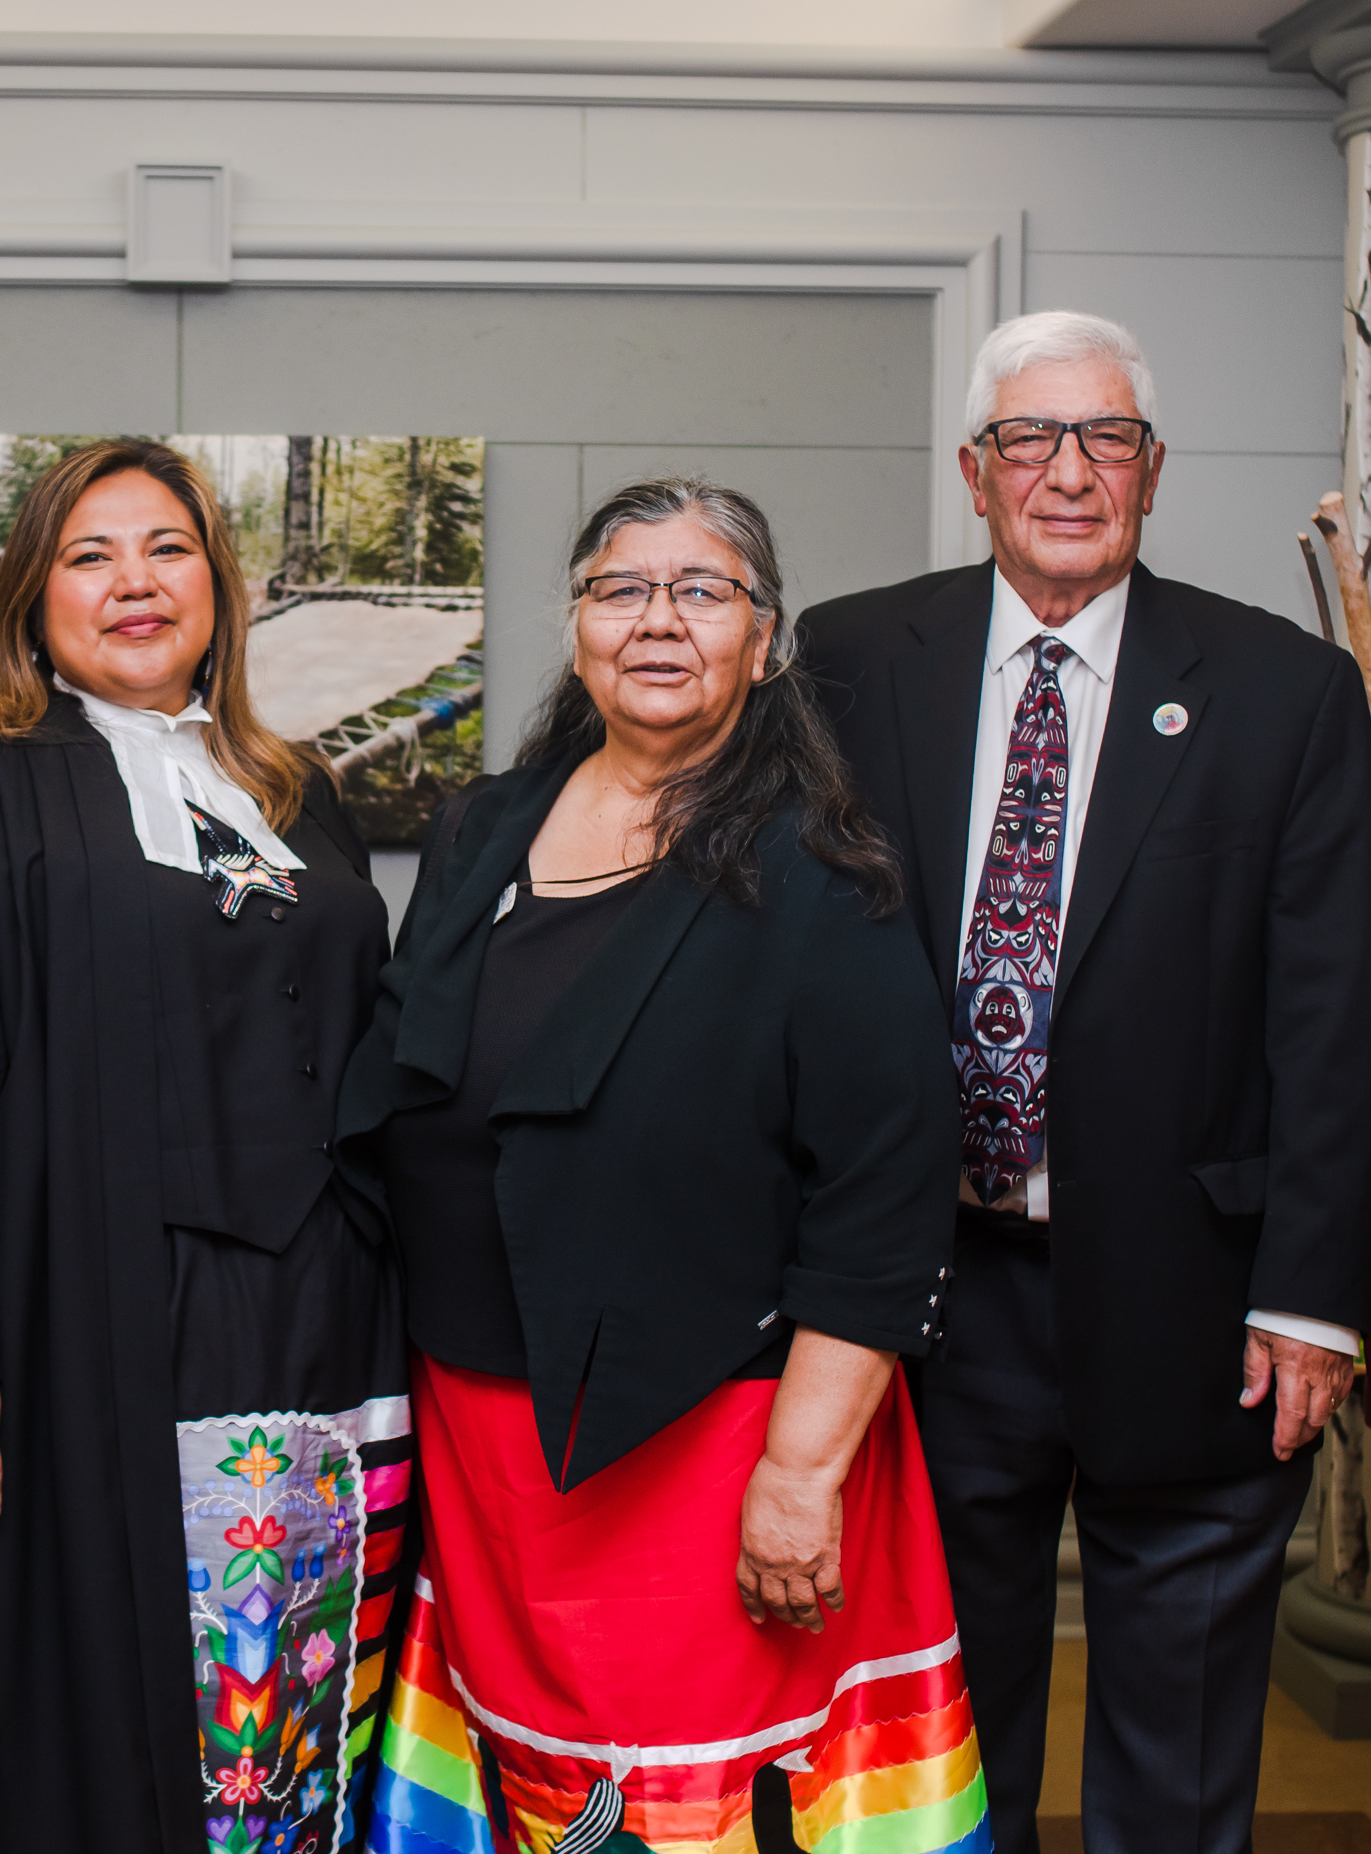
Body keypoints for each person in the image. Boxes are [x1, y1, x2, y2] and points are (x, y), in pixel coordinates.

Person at [0, 438, 407, 1854]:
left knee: (279, 1717)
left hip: (313, 1328)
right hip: (76, 1326)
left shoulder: (296, 793)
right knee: (93, 1714)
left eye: (168, 549)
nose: (135, 582)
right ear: (29, 597)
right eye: (90, 555)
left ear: (219, 589)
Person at [797, 310, 1371, 1854]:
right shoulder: (854, 660)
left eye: (1105, 438)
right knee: (933, 1741)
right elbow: (789, 966)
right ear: (976, 474)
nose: (1071, 471)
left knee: (1179, 1745)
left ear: (1154, 469)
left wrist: (1310, 1296)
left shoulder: (1282, 690)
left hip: (1196, 1294)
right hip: (929, 1294)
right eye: (1032, 441)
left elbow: (1326, 1018)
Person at [337, 478, 984, 1854]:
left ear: (763, 638)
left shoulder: (821, 865)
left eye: (704, 590)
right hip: (489, 1442)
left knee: (702, 1807)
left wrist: (801, 1473)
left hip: (712, 1445)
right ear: (577, 627)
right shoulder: (481, 830)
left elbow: (885, 1188)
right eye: (622, 587)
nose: (659, 620)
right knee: (528, 1792)